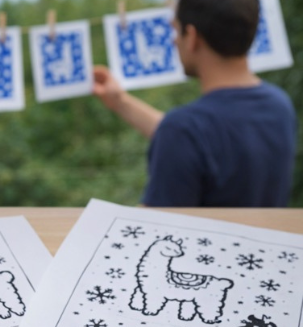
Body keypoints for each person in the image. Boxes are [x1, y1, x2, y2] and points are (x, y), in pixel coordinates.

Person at [92, 0, 297, 207]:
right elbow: (203, 139)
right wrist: (120, 101)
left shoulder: (183, 130)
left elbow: (152, 227)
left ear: (191, 37)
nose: (173, 41)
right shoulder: (279, 106)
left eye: (175, 29)